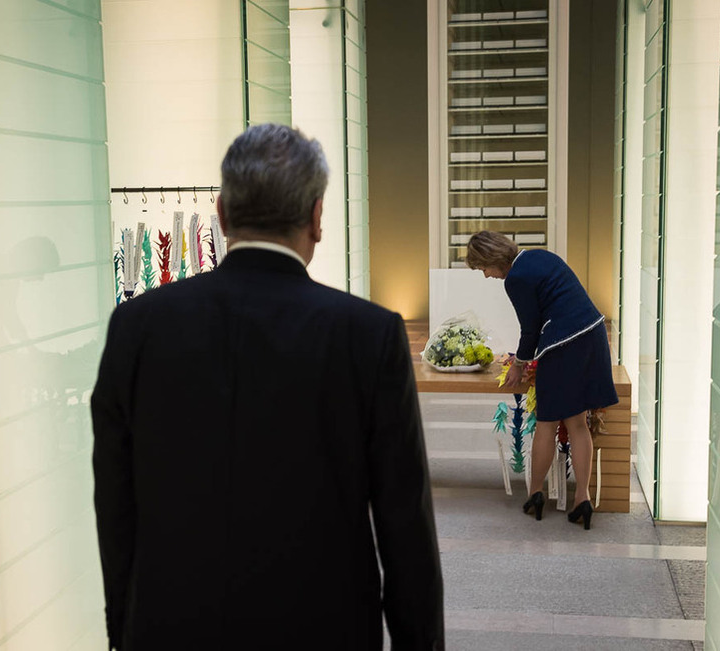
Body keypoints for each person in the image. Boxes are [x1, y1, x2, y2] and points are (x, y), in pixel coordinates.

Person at [91, 123, 444, 650]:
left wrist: (125, 625)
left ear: (223, 214)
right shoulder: (368, 334)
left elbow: (115, 502)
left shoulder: (138, 326)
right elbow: (403, 522)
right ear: (316, 218)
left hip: (170, 624)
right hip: (322, 625)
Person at [466, 231, 618, 530]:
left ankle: (536, 495)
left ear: (492, 259)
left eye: (483, 268)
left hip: (563, 346)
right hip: (594, 335)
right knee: (578, 422)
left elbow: (530, 329)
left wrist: (518, 366)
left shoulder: (515, 279)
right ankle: (582, 500)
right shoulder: (540, 255)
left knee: (547, 423)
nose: (485, 275)